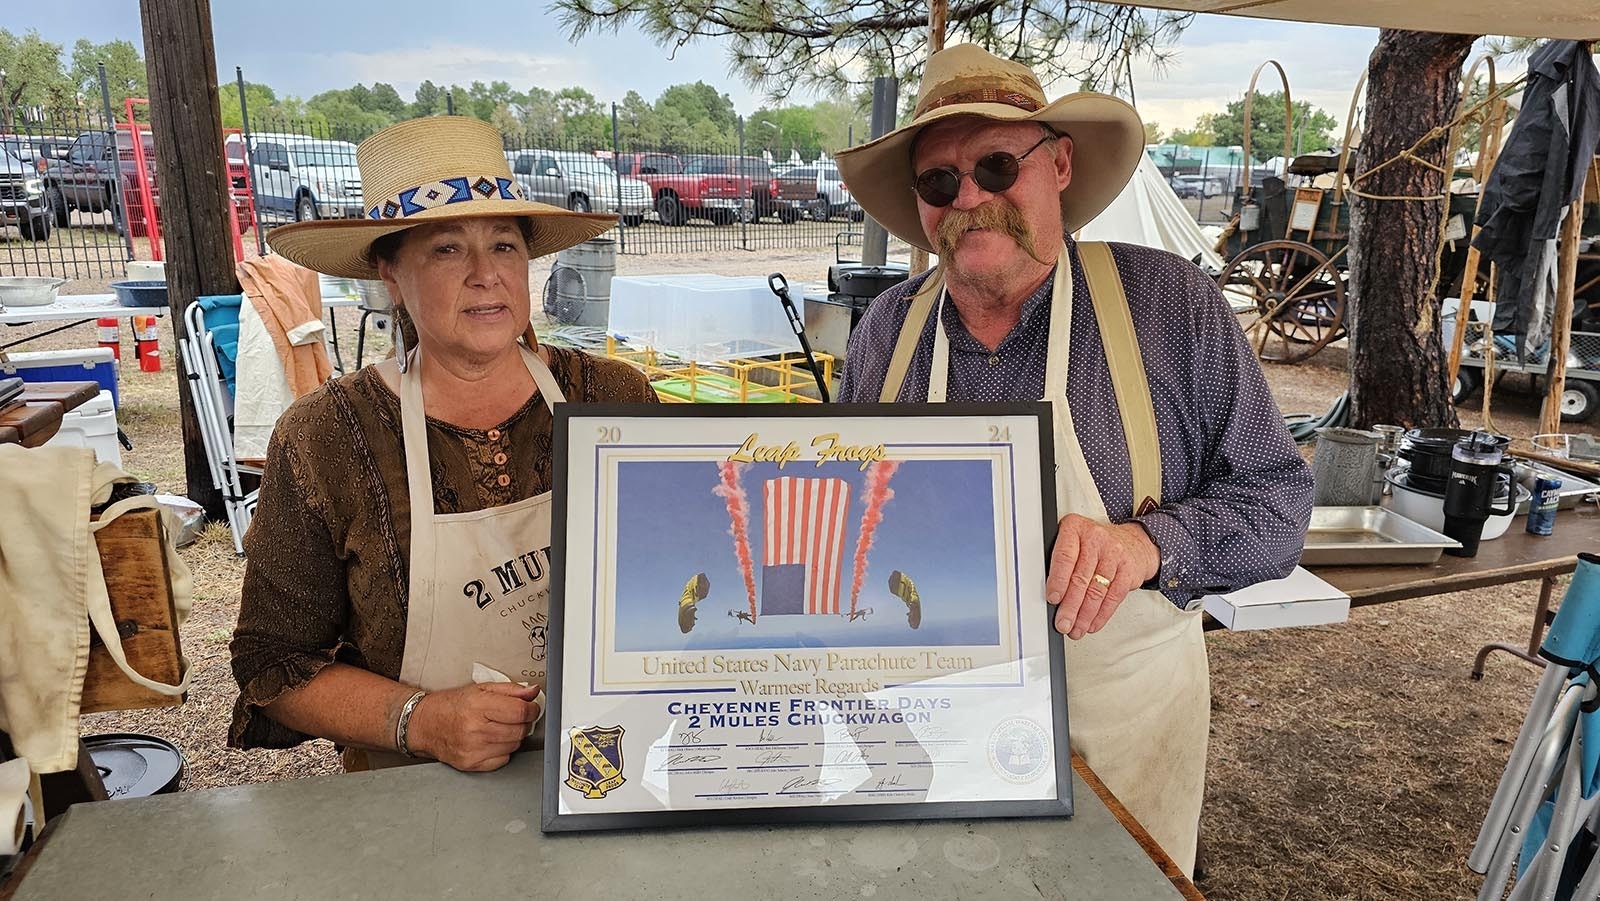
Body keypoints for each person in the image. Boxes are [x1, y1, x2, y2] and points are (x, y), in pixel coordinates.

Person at [834, 44, 1313, 874]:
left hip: (1123, 737)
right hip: (925, 732)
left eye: (994, 164)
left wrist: (1146, 543)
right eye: (941, 182)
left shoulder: (1170, 305)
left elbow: (1279, 503)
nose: (971, 198)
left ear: (1058, 164)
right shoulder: (886, 330)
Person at [228, 117, 657, 773]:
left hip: (609, 765)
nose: (487, 274)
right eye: (448, 249)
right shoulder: (325, 436)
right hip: (420, 795)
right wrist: (422, 721)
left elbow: (680, 572)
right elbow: (273, 661)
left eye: (505, 247)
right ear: (391, 273)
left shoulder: (614, 396)